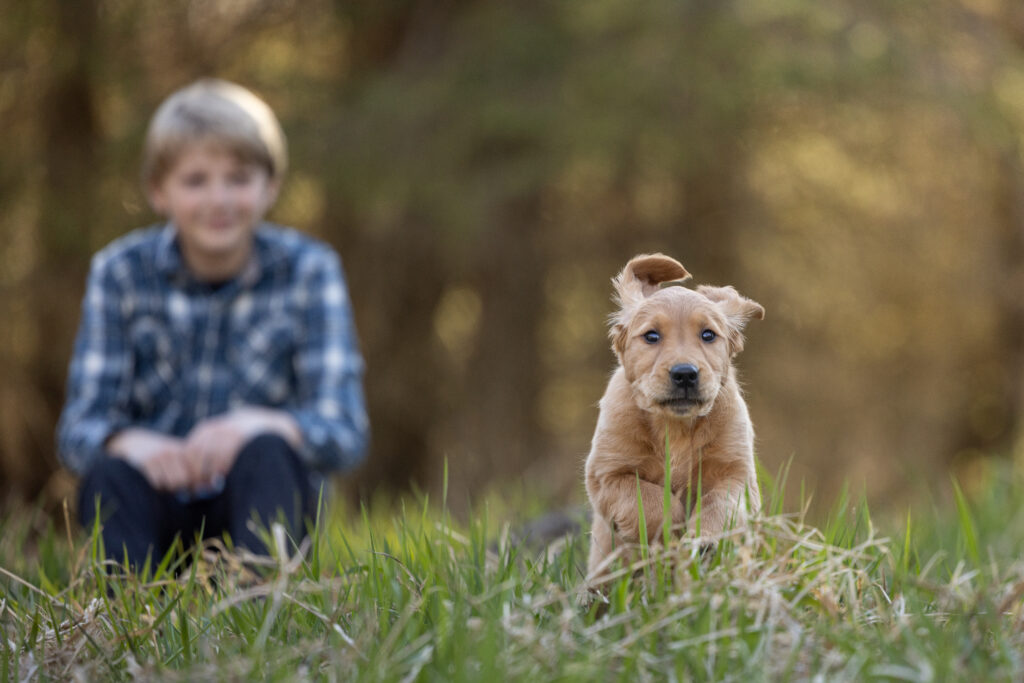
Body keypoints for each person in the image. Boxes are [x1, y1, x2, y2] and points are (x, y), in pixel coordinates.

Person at [56, 79, 369, 571]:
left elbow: (345, 430)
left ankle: (261, 609)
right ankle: (129, 617)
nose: (218, 199)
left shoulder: (311, 270)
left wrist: (266, 424)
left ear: (271, 187)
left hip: (261, 506)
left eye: (238, 178)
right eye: (196, 180)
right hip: (158, 506)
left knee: (269, 452)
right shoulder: (119, 273)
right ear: (160, 192)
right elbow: (79, 427)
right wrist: (127, 441)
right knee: (110, 471)